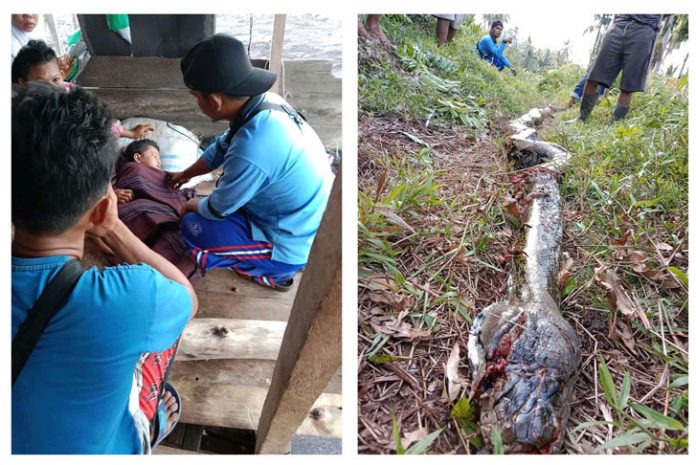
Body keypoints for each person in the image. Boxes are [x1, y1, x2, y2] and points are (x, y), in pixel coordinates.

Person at [12, 82, 198, 453]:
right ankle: (150, 422)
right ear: (100, 208)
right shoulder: (131, 295)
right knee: (158, 337)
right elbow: (187, 300)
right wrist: (112, 226)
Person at [170, 34, 334, 291]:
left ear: (214, 100)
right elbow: (220, 149)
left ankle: (274, 272)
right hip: (296, 214)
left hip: (289, 239)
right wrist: (185, 174)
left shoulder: (253, 147)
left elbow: (216, 209)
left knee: (192, 228)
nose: (197, 103)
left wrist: (190, 204)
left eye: (196, 97)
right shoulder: (265, 104)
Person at [12, 40, 154, 140]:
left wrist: (131, 134)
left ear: (62, 75)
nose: (52, 90)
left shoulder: (73, 94)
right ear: (23, 83)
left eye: (55, 80)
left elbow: (100, 121)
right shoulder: (17, 114)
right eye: (42, 84)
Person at [112, 139, 201, 281]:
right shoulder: (130, 169)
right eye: (154, 155)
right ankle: (161, 277)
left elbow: (174, 194)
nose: (159, 161)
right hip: (139, 208)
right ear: (138, 158)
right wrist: (114, 193)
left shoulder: (167, 177)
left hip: (167, 215)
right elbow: (102, 191)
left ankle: (155, 275)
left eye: (159, 157)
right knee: (143, 211)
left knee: (188, 243)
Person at [579, 15, 661, 122]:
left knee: (628, 87)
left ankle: (615, 125)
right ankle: (582, 117)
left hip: (644, 29)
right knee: (594, 76)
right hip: (619, 24)